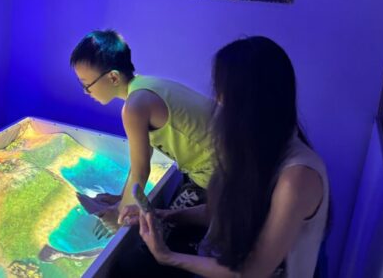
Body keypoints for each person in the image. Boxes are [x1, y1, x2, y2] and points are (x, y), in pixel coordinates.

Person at [122, 36, 329, 277]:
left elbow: (253, 272)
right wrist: (166, 215)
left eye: (222, 93)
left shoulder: (298, 177)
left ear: (250, 102)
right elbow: (220, 212)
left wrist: (168, 257)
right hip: (222, 255)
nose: (217, 102)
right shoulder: (250, 147)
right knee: (132, 263)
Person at [70, 30, 215, 233]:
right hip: (226, 167)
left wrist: (119, 217)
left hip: (224, 179)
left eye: (87, 85)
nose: (86, 92)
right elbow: (140, 160)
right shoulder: (146, 86)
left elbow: (141, 172)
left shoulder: (134, 107)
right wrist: (122, 199)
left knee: (160, 234)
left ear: (113, 77)